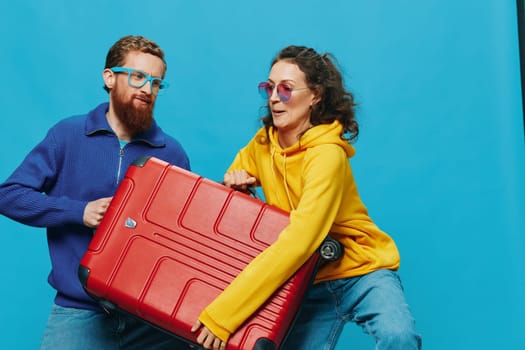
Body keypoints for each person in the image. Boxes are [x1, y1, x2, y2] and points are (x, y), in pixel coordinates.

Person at [191, 45, 422, 350]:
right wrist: (235, 182)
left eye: (286, 89)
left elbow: (300, 240)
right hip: (307, 281)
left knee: (398, 336)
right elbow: (238, 173)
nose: (274, 98)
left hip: (360, 271)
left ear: (315, 96)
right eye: (269, 88)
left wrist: (223, 315)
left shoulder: (327, 155)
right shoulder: (264, 143)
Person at [0, 35, 191, 349]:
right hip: (78, 312)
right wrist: (80, 212)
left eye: (156, 83)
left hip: (150, 319)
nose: (147, 89)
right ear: (109, 78)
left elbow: (183, 238)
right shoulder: (68, 135)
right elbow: (8, 195)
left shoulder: (172, 153)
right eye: (139, 76)